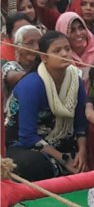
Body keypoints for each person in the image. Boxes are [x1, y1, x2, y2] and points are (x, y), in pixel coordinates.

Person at [5, 31, 88, 181]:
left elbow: (80, 124)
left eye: (67, 49)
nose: (64, 53)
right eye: (57, 51)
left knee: (81, 160)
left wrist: (82, 152)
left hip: (61, 142)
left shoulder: (76, 81)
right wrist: (63, 159)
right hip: (22, 146)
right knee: (31, 164)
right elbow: (27, 136)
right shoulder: (31, 85)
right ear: (44, 58)